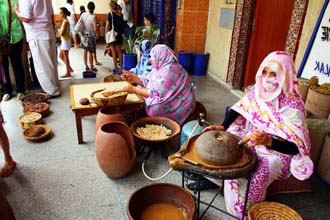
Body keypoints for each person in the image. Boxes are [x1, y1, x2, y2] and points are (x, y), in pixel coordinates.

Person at [189, 51, 313, 219]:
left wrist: (268, 141)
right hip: (250, 134)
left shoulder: (293, 105)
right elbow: (239, 108)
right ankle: (217, 181)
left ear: (286, 75)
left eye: (274, 74)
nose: (268, 78)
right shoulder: (258, 90)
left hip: (276, 151)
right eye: (265, 72)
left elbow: (295, 147)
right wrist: (223, 126)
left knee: (261, 169)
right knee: (221, 145)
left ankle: (248, 209)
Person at [121, 44, 196, 125]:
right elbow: (150, 81)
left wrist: (134, 89)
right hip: (169, 96)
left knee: (154, 107)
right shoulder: (161, 67)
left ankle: (165, 121)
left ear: (160, 56)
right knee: (139, 91)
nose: (150, 60)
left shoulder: (170, 70)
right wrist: (133, 78)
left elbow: (155, 93)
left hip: (181, 104)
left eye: (152, 57)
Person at [14, 0, 61, 98]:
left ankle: (52, 91)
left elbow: (26, 18)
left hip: (37, 34)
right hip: (48, 31)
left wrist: (16, 11)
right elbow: (51, 14)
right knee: (51, 64)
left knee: (43, 66)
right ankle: (55, 87)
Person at [0, 0, 26, 101]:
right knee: (3, 66)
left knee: (17, 64)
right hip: (1, 40)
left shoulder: (14, 1)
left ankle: (21, 89)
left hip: (14, 36)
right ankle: (7, 90)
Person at [105, 1, 126, 69]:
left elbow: (107, 26)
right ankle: (122, 66)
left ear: (111, 7)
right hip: (119, 35)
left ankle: (115, 67)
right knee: (119, 51)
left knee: (113, 52)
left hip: (112, 35)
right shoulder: (121, 15)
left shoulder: (110, 14)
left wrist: (106, 35)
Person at [78, 1, 98, 72]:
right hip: (90, 36)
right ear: (94, 8)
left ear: (87, 7)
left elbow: (80, 23)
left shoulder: (83, 14)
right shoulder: (94, 16)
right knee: (90, 52)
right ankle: (91, 68)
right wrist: (97, 34)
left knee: (85, 51)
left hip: (83, 35)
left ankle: (86, 66)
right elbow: (95, 28)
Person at [58, 7, 73, 78]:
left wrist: (58, 31)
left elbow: (61, 33)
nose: (59, 14)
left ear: (64, 14)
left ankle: (68, 72)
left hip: (65, 41)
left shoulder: (65, 22)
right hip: (65, 40)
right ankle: (69, 68)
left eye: (60, 13)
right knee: (60, 56)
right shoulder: (65, 21)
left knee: (65, 57)